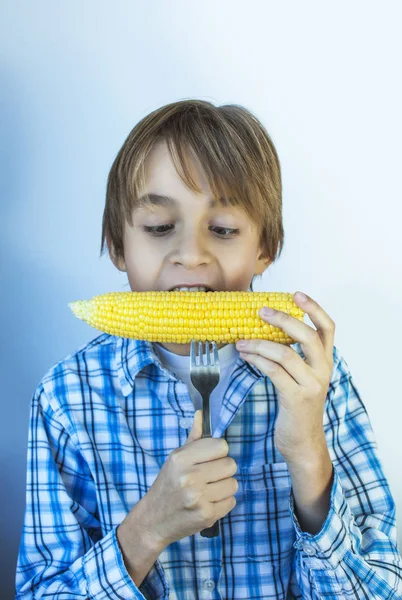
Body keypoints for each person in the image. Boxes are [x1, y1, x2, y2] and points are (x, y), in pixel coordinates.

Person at [15, 99, 402, 599]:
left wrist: (309, 459)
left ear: (265, 247)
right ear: (117, 245)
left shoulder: (315, 380)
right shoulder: (67, 398)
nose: (192, 255)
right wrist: (146, 530)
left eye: (222, 230)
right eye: (158, 228)